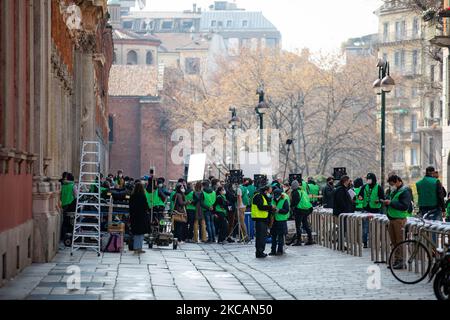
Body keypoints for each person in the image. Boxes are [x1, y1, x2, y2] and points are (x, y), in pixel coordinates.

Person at [383, 175, 411, 269]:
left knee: (400, 241)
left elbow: (404, 206)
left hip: (399, 220)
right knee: (394, 242)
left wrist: (390, 203)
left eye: (392, 184)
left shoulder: (405, 191)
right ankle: (396, 260)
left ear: (398, 181)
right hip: (392, 219)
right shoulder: (395, 191)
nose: (392, 186)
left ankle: (402, 261)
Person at [357, 173, 384, 248]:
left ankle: (376, 241)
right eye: (367, 179)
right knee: (365, 227)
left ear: (373, 179)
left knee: (376, 227)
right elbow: (360, 195)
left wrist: (378, 200)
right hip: (366, 209)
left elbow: (382, 198)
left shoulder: (378, 187)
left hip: (376, 210)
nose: (368, 180)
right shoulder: (364, 187)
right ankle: (365, 242)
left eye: (369, 179)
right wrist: (360, 197)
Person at [251, 185, 274, 258]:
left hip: (263, 218)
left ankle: (261, 251)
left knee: (263, 236)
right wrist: (270, 207)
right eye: (270, 191)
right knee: (260, 236)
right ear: (266, 190)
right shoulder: (258, 196)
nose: (270, 193)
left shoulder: (263, 196)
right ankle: (259, 252)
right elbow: (260, 207)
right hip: (259, 218)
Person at [290, 180, 315, 246]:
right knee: (306, 225)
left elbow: (295, 202)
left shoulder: (295, 192)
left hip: (299, 210)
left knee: (298, 226)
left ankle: (299, 240)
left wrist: (291, 207)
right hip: (306, 210)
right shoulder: (303, 191)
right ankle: (310, 239)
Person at [129, 181, 151, 254]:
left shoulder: (132, 196)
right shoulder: (142, 197)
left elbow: (130, 207)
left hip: (134, 217)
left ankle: (135, 248)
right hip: (141, 217)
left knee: (135, 233)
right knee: (141, 233)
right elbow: (146, 207)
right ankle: (139, 248)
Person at [270, 188, 290, 256]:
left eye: (277, 196)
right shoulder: (272, 200)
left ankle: (279, 251)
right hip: (274, 220)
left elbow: (286, 210)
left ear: (280, 195)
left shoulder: (284, 200)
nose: (276, 198)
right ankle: (273, 251)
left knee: (280, 237)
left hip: (281, 221)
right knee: (273, 236)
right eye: (275, 196)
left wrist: (278, 210)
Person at [60, 173, 77, 241]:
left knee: (64, 221)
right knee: (70, 222)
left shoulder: (63, 185)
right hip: (71, 205)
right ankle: (69, 236)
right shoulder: (73, 185)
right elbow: (76, 196)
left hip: (63, 204)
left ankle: (63, 236)